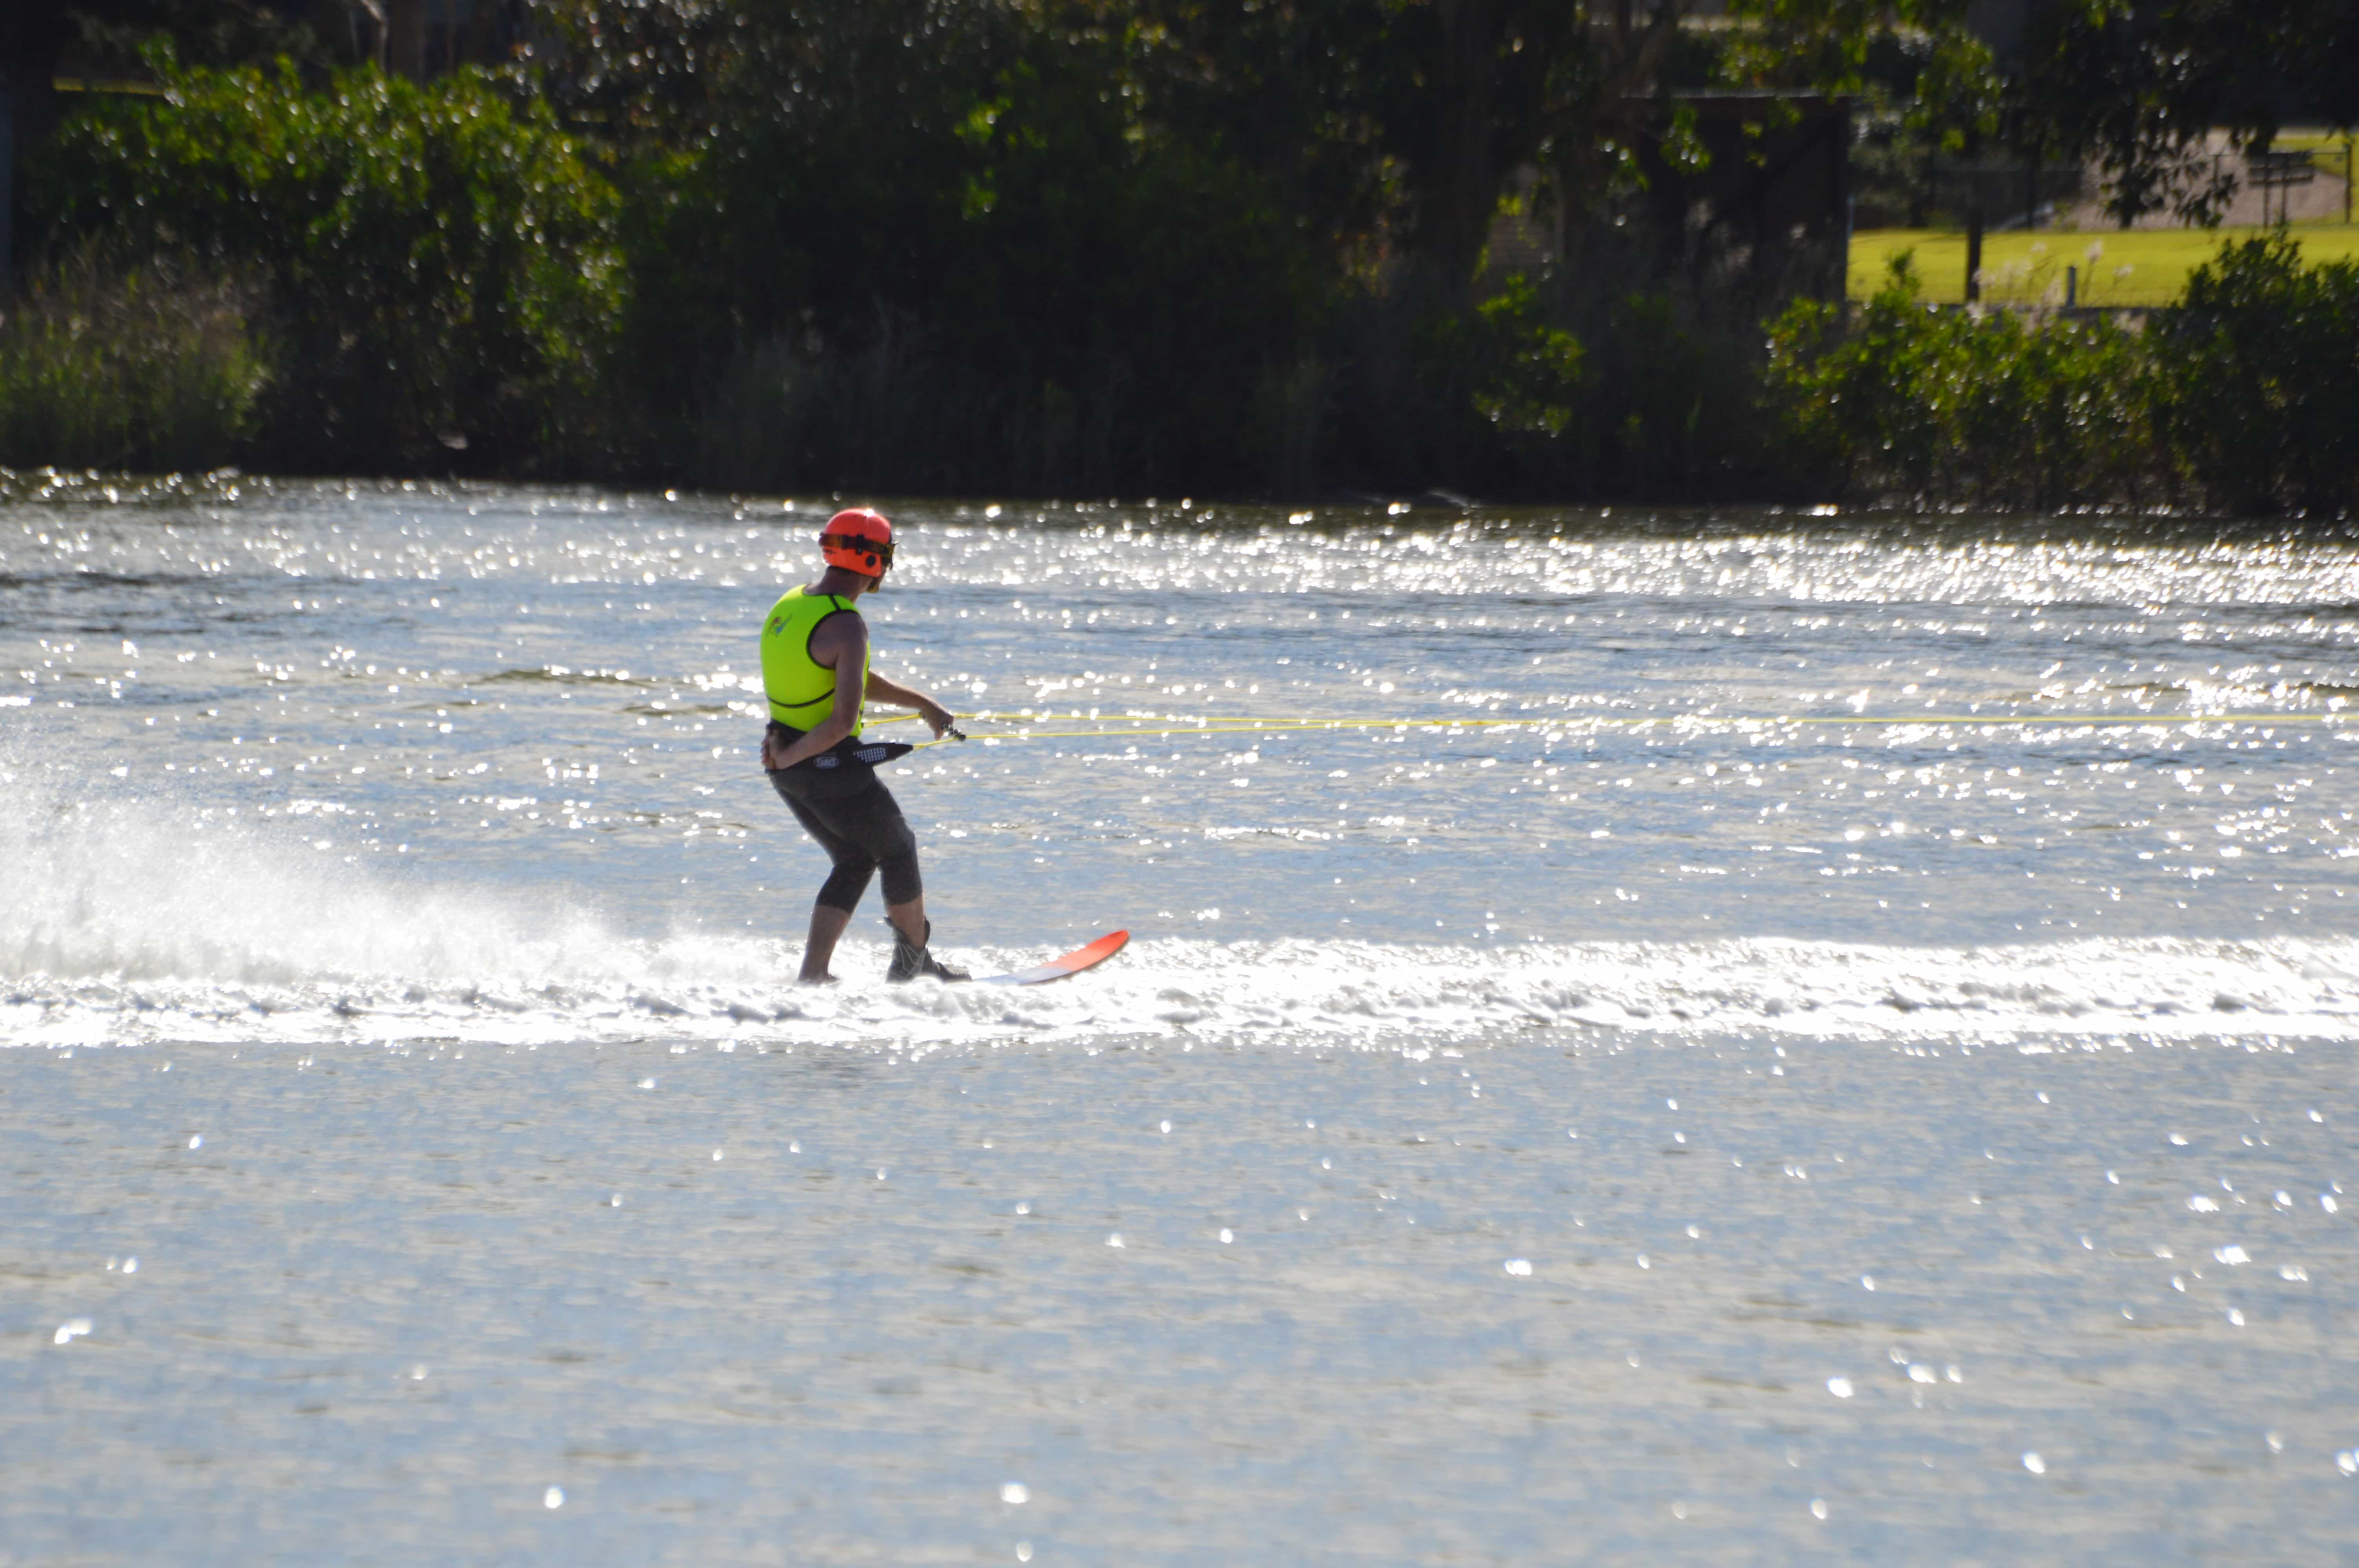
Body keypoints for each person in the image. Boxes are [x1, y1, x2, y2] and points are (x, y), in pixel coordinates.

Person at [759, 508, 967, 984]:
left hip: (786, 763)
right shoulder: (848, 623)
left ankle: (813, 974)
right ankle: (913, 965)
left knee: (855, 859)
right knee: (898, 849)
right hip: (824, 765)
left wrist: (921, 703)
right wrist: (794, 755)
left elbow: (837, 676)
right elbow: (841, 722)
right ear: (874, 561)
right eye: (886, 556)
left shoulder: (791, 604)